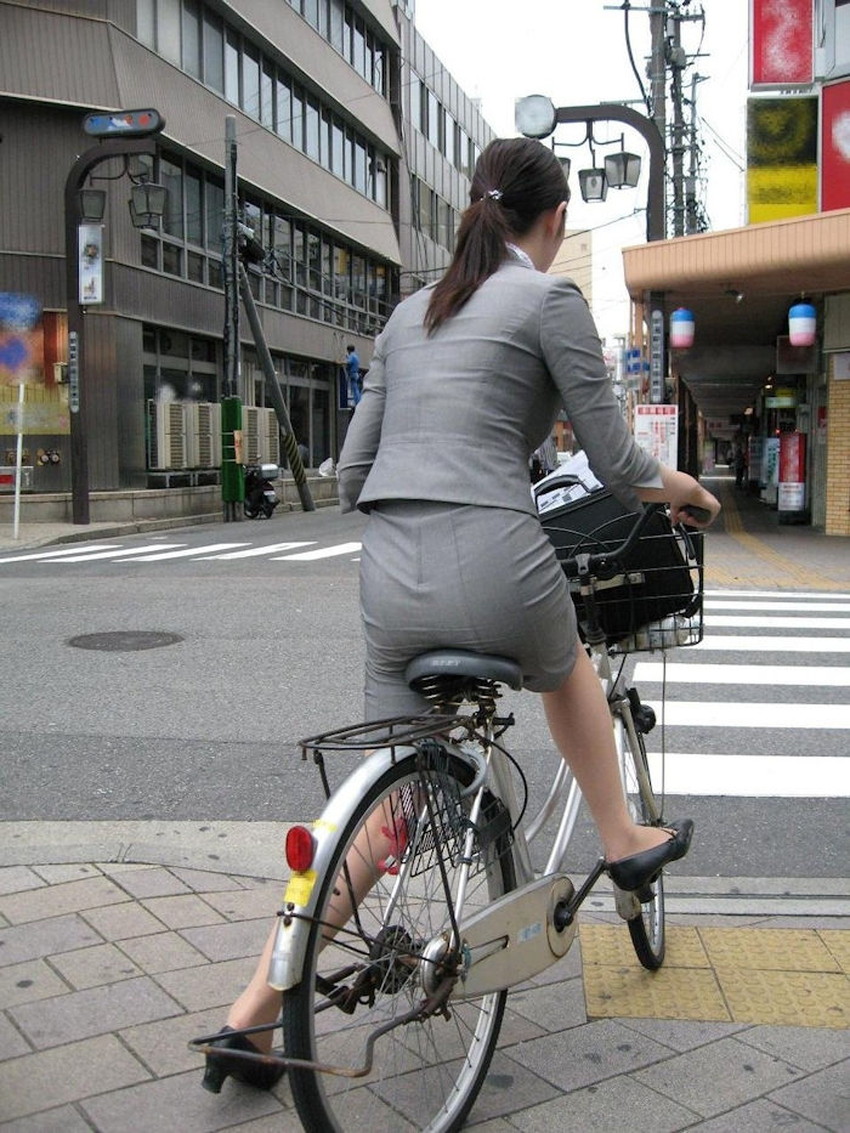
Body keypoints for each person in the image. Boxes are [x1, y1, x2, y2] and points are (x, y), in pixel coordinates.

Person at [202, 137, 721, 1092]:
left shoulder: (408, 315)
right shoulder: (549, 298)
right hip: (496, 559)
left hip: (391, 580)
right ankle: (621, 836)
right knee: (566, 665)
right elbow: (622, 466)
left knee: (389, 808)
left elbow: (352, 473)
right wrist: (697, 492)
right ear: (554, 220)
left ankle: (251, 1018)